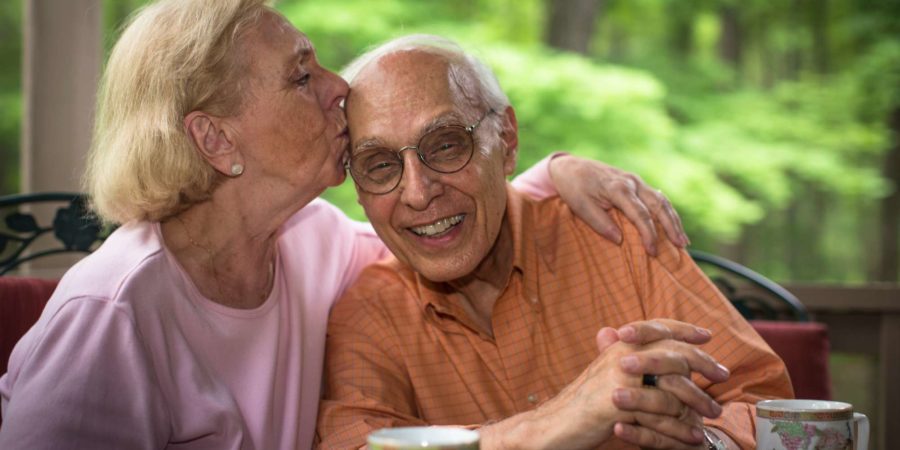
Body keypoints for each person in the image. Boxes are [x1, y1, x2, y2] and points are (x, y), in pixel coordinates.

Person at [0, 1, 686, 449]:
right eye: (302, 77)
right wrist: (557, 423)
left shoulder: (314, 242)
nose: (339, 88)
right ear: (216, 140)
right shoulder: (110, 313)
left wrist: (549, 173)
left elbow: (439, 222)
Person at [315, 35, 793, 449]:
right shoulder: (368, 311)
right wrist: (548, 427)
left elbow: (770, 408)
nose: (418, 193)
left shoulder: (618, 238)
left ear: (507, 140)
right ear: (357, 188)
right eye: (379, 164)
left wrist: (699, 441)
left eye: (445, 145)